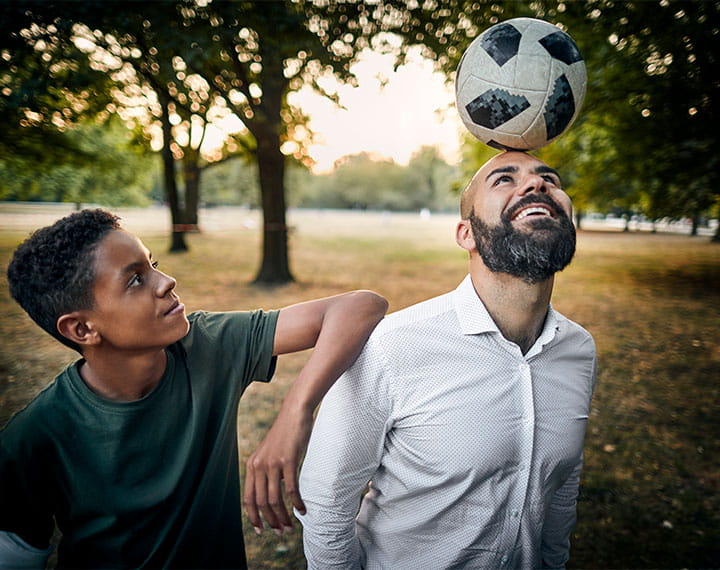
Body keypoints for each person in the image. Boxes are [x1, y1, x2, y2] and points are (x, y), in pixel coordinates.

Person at [0, 209, 388, 569]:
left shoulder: (206, 345)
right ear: (82, 329)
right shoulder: (33, 438)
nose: (166, 282)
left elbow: (360, 306)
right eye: (136, 279)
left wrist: (295, 411)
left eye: (153, 265)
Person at [298, 151, 598, 569]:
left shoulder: (579, 351)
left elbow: (561, 489)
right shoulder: (394, 346)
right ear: (466, 234)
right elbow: (325, 501)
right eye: (504, 179)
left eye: (549, 177)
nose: (537, 184)